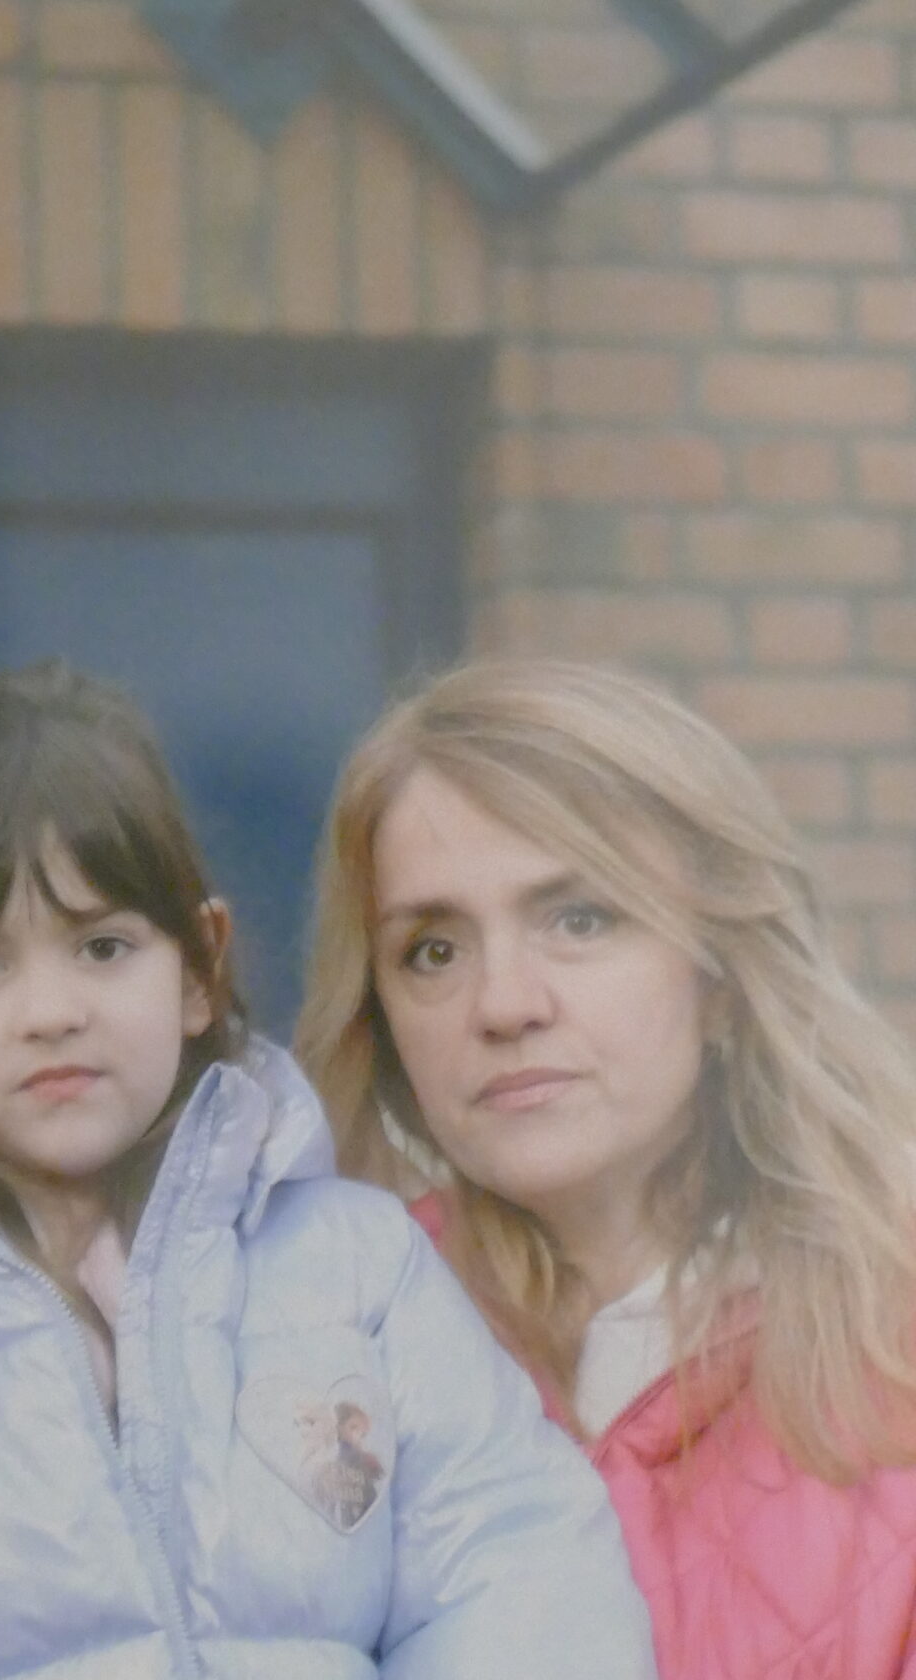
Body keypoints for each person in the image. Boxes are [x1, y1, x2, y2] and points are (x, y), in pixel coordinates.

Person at [0, 660, 655, 1680]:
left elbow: (522, 1582)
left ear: (201, 966)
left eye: (103, 948)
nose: (51, 1012)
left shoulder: (356, 1270)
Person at [296, 656, 916, 1679]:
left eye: (579, 919)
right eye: (433, 950)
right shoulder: (322, 1344)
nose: (505, 1004)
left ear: (721, 976)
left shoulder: (894, 1320)